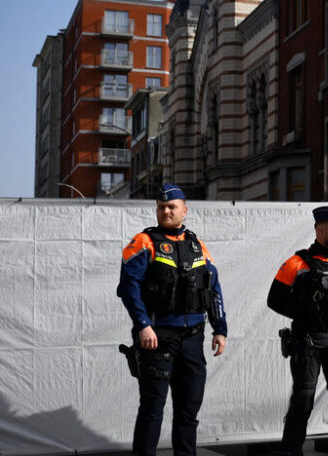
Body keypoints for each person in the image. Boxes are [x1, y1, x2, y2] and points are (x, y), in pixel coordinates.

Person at [117, 183, 228, 456]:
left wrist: (220, 329)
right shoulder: (143, 242)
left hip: (193, 340)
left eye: (171, 207)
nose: (165, 211)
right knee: (152, 411)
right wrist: (143, 325)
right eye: (161, 207)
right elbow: (128, 288)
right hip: (157, 339)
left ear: (184, 210)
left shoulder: (197, 245)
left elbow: (212, 288)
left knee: (188, 411)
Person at [268, 205, 328, 456]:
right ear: (320, 231)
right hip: (308, 342)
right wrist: (304, 312)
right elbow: (274, 300)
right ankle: (291, 451)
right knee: (303, 401)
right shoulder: (296, 263)